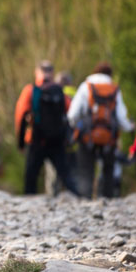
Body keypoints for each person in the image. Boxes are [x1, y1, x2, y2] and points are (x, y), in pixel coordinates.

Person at [67, 61, 134, 198]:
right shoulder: (114, 89)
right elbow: (121, 116)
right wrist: (129, 127)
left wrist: (76, 127)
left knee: (86, 170)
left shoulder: (86, 86)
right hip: (109, 137)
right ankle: (106, 200)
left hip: (87, 136)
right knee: (108, 170)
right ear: (110, 74)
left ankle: (85, 200)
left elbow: (72, 114)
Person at [14, 60, 79, 195]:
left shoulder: (31, 90)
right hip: (57, 141)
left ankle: (28, 203)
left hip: (36, 140)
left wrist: (20, 143)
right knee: (65, 175)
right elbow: (73, 115)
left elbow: (20, 116)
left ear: (37, 72)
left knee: (31, 176)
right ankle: (79, 199)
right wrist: (71, 137)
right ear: (52, 73)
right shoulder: (60, 91)